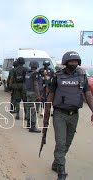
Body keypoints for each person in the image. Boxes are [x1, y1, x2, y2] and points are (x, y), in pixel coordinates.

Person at [44, 51, 93, 180]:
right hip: (60, 114)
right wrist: (46, 115)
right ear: (66, 62)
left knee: (66, 143)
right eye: (72, 61)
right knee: (60, 143)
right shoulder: (57, 76)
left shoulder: (82, 77)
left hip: (74, 115)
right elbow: (50, 96)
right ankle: (61, 171)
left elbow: (88, 95)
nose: (74, 63)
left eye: (76, 61)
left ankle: (56, 164)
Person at [24, 61, 41, 133]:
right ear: (37, 66)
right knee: (33, 109)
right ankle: (33, 127)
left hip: (28, 92)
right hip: (33, 93)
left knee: (28, 108)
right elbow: (36, 84)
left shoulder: (28, 73)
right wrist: (38, 95)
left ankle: (28, 123)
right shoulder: (35, 73)